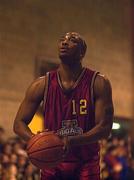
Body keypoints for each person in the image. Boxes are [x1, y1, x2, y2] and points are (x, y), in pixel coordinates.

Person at [13, 32, 114, 180]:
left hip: (86, 162)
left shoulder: (98, 82)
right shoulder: (41, 84)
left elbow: (104, 129)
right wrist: (38, 142)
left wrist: (72, 140)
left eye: (72, 40)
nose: (64, 43)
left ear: (82, 52)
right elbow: (18, 124)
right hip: (52, 163)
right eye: (62, 40)